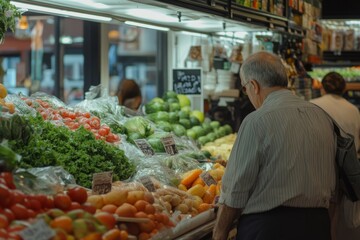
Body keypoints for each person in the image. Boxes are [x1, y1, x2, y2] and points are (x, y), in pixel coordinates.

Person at [213, 51, 337, 240]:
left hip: (269, 228)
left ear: (253, 85)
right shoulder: (322, 116)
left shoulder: (256, 121)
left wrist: (220, 233)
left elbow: (235, 190)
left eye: (245, 88)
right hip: (318, 226)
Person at [310, 72, 360, 240]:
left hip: (317, 164)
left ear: (322, 88)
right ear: (343, 89)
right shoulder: (353, 110)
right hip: (345, 167)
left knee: (321, 211)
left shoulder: (312, 105)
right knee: (336, 209)